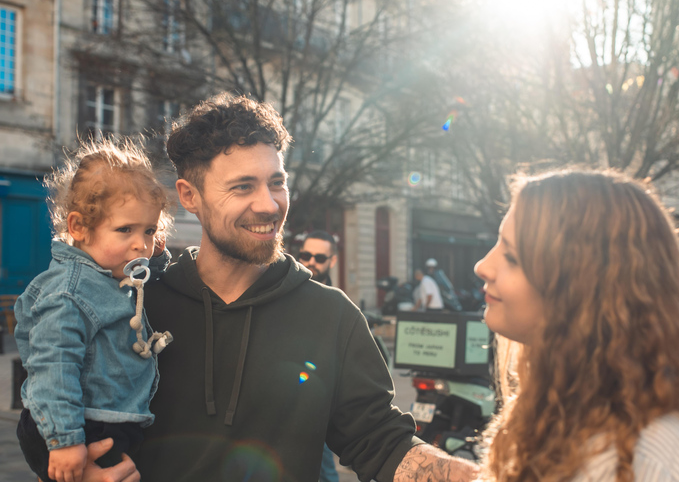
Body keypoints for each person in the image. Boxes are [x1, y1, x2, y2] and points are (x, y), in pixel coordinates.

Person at [81, 93, 476, 482]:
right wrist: (80, 466)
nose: (269, 205)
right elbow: (45, 409)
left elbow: (382, 442)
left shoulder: (331, 316)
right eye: (242, 187)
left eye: (277, 182)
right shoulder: (135, 302)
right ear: (190, 197)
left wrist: (488, 476)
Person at [474, 170, 679, 482]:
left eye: (512, 257)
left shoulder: (651, 456)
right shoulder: (562, 406)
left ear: (581, 289)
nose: (483, 266)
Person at [13, 140, 173, 482]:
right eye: (125, 230)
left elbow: (147, 269)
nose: (140, 244)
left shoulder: (109, 270)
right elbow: (53, 364)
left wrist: (156, 255)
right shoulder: (69, 291)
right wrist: (66, 441)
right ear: (79, 228)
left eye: (149, 230)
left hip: (103, 420)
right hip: (80, 425)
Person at [298, 230, 340, 482]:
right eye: (305, 255)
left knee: (324, 471)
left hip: (317, 405)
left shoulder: (338, 304)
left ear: (332, 261)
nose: (311, 261)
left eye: (319, 257)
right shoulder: (286, 291)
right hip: (284, 401)